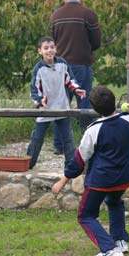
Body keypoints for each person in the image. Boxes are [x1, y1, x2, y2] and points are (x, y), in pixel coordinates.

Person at [52, 86, 129, 256]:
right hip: (124, 178)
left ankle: (110, 250)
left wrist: (63, 179)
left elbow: (79, 159)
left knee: (85, 215)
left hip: (101, 181)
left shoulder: (93, 130)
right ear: (114, 102)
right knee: (114, 203)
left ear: (94, 108)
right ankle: (121, 241)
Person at [50, 0, 101, 153]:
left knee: (60, 105)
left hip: (61, 67)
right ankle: (86, 143)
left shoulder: (55, 16)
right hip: (82, 65)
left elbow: (52, 43)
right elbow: (96, 42)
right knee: (84, 104)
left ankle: (59, 144)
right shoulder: (89, 15)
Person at [27, 36, 86, 169]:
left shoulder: (62, 64)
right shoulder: (38, 69)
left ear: (56, 49)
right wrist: (39, 100)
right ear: (40, 51)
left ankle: (72, 166)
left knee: (68, 139)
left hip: (62, 106)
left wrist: (77, 89)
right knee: (37, 138)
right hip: (45, 108)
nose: (49, 51)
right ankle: (29, 164)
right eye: (46, 48)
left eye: (52, 47)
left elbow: (70, 80)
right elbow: (34, 90)